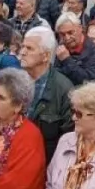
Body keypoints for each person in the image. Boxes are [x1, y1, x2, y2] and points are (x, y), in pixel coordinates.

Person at [18, 27, 74, 163]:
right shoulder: (13, 81)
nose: (22, 52)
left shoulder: (64, 90)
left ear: (46, 56)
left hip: (44, 164)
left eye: (30, 48)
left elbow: (67, 140)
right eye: (22, 47)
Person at [55, 12, 95, 85]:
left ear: (80, 28)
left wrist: (67, 60)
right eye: (62, 34)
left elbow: (89, 81)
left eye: (70, 32)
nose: (67, 38)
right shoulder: (62, 47)